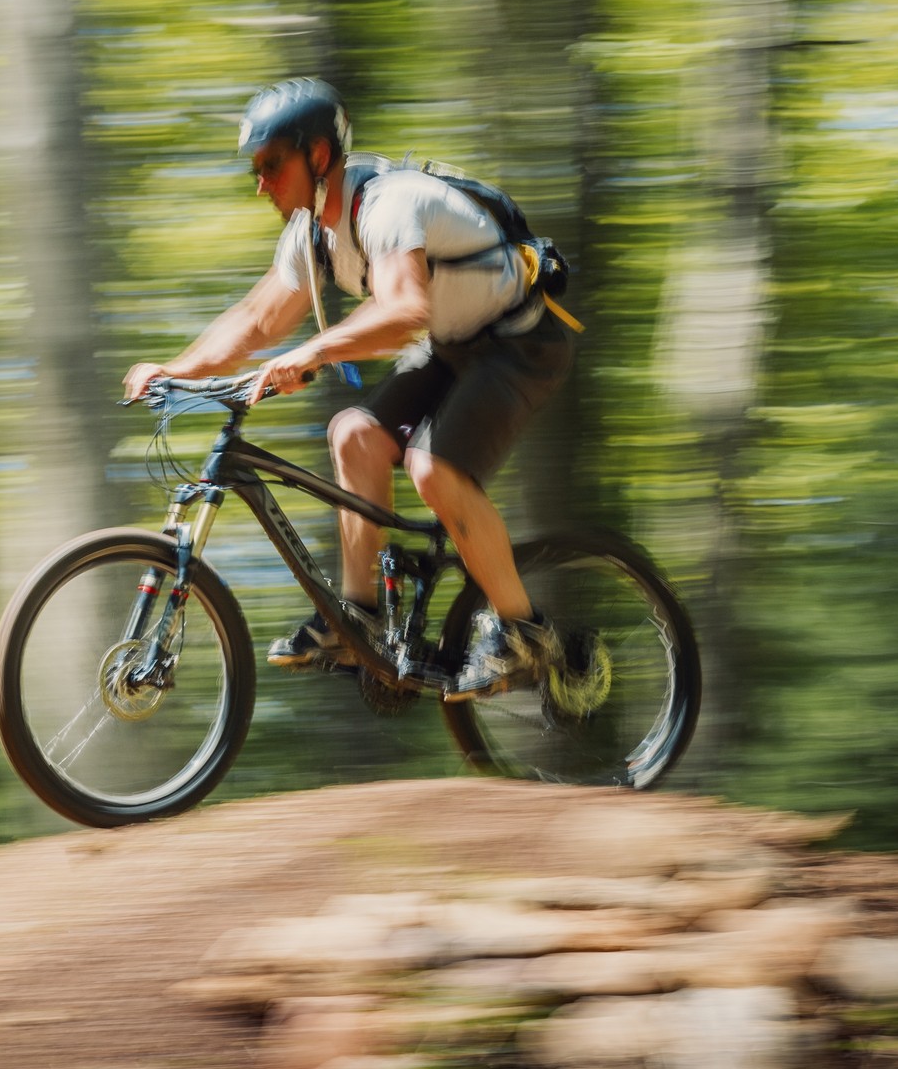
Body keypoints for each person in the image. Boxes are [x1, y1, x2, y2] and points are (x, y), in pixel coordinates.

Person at [123, 78, 576, 699]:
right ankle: (355, 619)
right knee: (354, 434)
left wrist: (312, 350)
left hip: (518, 340)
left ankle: (526, 634)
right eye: (255, 170)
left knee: (432, 467)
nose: (261, 185)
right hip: (452, 343)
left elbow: (405, 308)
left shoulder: (387, 206)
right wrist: (174, 372)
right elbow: (255, 322)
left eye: (271, 165)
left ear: (317, 157)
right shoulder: (313, 233)